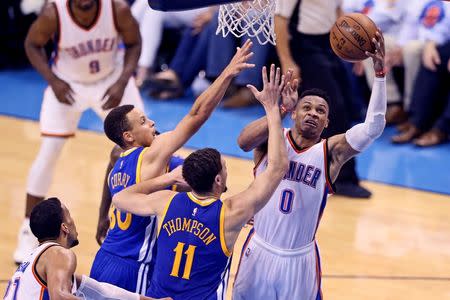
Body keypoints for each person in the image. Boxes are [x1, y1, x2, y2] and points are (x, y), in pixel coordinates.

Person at [90, 40, 255, 293]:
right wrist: (227, 73)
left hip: (104, 257)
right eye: (143, 122)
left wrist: (103, 215)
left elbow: (189, 179)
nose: (153, 122)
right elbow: (197, 114)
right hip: (134, 266)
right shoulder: (150, 155)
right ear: (129, 137)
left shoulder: (117, 161)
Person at [111, 64, 289, 299]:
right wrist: (272, 109)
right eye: (225, 168)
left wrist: (166, 179)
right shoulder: (233, 212)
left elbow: (120, 197)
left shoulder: (166, 201)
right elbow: (277, 167)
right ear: (218, 180)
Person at [232, 33, 386, 299]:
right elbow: (243, 141)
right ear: (295, 112)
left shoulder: (330, 152)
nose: (313, 113)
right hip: (258, 248)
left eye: (321, 111)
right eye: (307, 107)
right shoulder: (273, 136)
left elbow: (374, 127)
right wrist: (277, 110)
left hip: (298, 259)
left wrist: (380, 73)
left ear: (327, 123)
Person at [15, 0, 143, 264]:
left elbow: (134, 42)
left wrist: (122, 81)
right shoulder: (54, 12)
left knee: (143, 146)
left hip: (111, 81)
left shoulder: (116, 9)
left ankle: (144, 221)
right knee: (49, 152)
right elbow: (31, 44)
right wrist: (53, 81)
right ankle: (27, 230)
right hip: (68, 84)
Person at [275, 0, 372, 198]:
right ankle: (341, 179)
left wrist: (355, 51)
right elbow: (280, 20)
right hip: (303, 47)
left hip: (330, 44)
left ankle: (323, 172)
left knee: (348, 108)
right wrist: (287, 61)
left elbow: (338, 12)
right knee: (332, 110)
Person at [4, 197, 169, 300]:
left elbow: (103, 292)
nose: (73, 223)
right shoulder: (59, 253)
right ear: (64, 228)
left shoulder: (38, 261)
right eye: (70, 217)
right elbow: (60, 297)